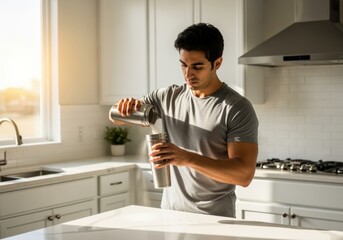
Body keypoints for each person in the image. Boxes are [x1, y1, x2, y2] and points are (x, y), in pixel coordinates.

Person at [110, 23, 258, 217]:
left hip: (215, 220)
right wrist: (124, 107)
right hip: (170, 216)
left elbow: (244, 175)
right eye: (183, 64)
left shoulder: (236, 107)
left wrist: (186, 158)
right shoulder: (165, 97)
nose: (188, 74)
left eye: (197, 66)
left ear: (218, 63)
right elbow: (115, 118)